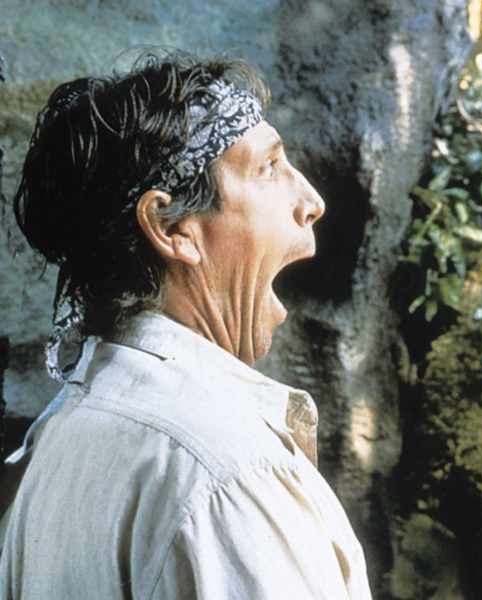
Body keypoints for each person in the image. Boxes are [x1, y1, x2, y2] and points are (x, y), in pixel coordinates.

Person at [0, 52, 372, 599]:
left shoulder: (48, 447)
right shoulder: (233, 476)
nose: (311, 201)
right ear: (171, 228)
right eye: (268, 168)